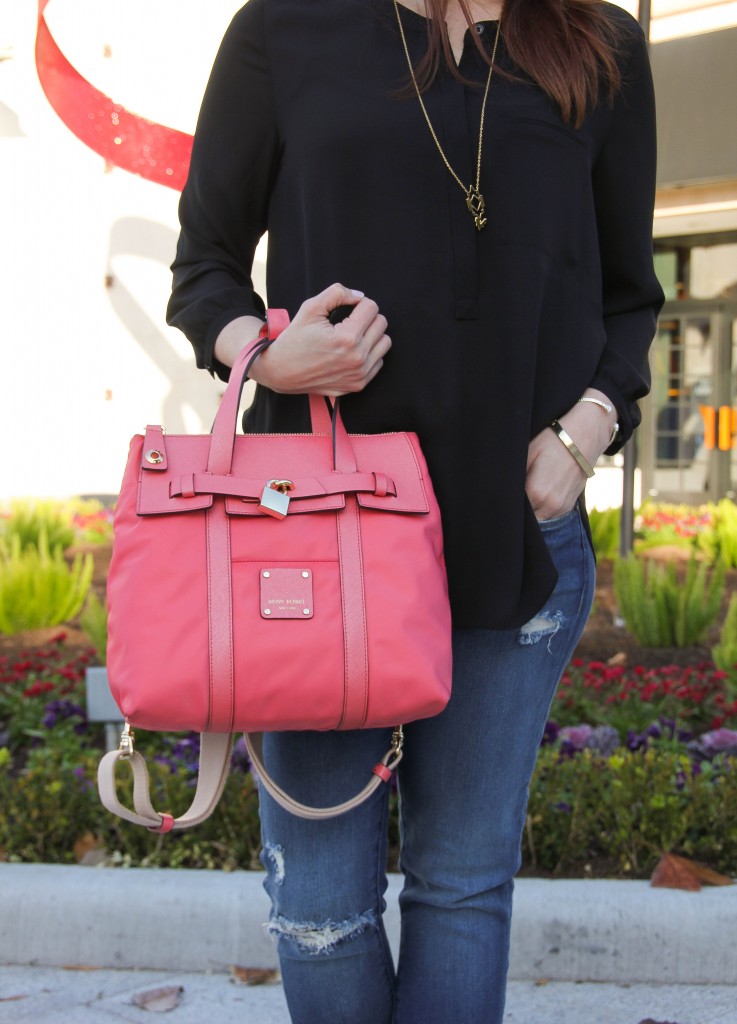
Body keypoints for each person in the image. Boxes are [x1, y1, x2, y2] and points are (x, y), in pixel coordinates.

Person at [167, 0, 663, 1020]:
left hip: (515, 532)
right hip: (314, 537)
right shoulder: (283, 28)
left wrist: (581, 433)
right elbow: (202, 266)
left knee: (461, 888)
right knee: (319, 902)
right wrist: (260, 350)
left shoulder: (599, 44)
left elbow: (628, 299)